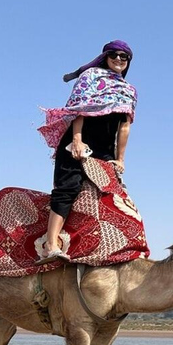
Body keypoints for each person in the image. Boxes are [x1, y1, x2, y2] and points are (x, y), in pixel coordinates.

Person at [36, 40, 138, 264]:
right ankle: (51, 245)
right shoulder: (91, 77)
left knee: (114, 196)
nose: (119, 59)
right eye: (115, 54)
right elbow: (80, 111)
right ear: (105, 56)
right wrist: (77, 140)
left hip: (104, 151)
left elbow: (124, 126)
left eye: (124, 56)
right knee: (68, 188)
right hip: (79, 140)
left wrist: (120, 159)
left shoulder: (128, 91)